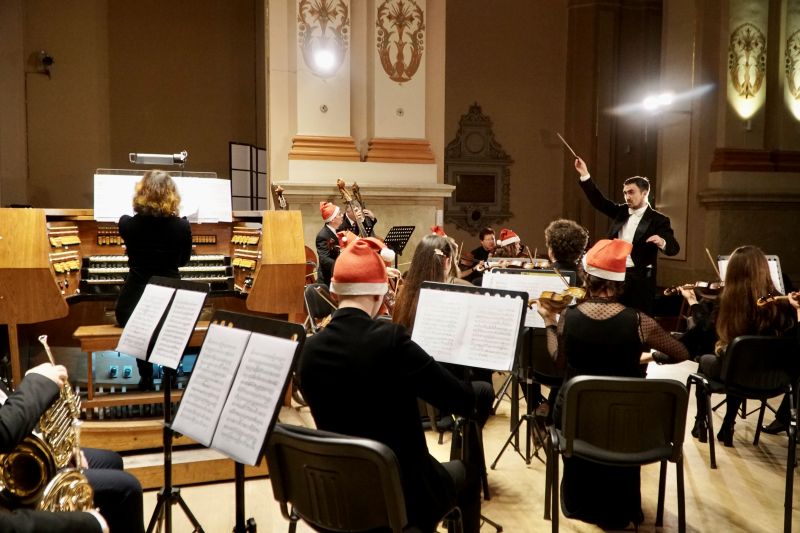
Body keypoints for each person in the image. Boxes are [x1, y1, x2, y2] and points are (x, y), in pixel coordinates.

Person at [298, 240, 494, 533]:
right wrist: (477, 386)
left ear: (334, 293)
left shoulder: (307, 351)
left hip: (337, 495)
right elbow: (460, 400)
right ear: (380, 294)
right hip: (402, 494)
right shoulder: (390, 341)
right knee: (469, 475)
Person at [536, 239, 688, 529]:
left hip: (579, 422)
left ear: (587, 277)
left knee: (569, 401)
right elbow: (680, 352)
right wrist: (649, 356)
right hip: (626, 422)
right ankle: (622, 506)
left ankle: (581, 503)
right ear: (619, 283)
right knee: (619, 419)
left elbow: (558, 361)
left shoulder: (569, 317)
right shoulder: (639, 322)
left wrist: (549, 322)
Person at [0, 363, 144, 533]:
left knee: (112, 460)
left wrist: (60, 445)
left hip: (18, 454)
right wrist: (39, 382)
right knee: (128, 487)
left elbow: (10, 413)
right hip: (10, 482)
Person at [687, 246, 797, 445]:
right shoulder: (782, 304)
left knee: (707, 360)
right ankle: (727, 424)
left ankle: (701, 422)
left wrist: (693, 303)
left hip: (735, 375)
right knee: (739, 360)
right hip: (774, 379)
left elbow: (704, 331)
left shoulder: (727, 301)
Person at [115, 170, 192, 390]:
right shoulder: (181, 227)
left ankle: (146, 376)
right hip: (171, 304)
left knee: (140, 322)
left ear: (141, 194)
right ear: (171, 195)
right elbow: (183, 261)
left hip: (132, 307)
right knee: (171, 323)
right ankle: (170, 374)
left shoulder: (127, 224)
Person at [574, 157, 679, 314]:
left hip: (640, 279)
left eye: (631, 192)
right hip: (615, 275)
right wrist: (584, 174)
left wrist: (662, 241)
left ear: (644, 193)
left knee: (638, 318)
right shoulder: (621, 211)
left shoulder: (659, 220)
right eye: (625, 193)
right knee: (613, 315)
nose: (627, 196)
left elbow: (674, 248)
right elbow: (598, 201)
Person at [314, 201, 345, 287]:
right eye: (339, 214)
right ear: (333, 219)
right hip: (327, 280)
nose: (342, 215)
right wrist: (342, 266)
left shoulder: (338, 229)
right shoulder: (322, 235)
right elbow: (324, 259)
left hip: (337, 276)